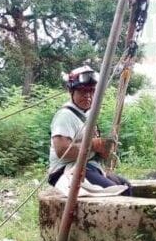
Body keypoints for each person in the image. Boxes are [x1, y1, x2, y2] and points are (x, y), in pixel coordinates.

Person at [47, 65, 132, 195]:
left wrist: (104, 149)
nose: (88, 96)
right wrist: (93, 145)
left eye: (91, 91)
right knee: (118, 193)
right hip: (65, 170)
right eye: (82, 92)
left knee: (126, 187)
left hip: (88, 166)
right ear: (71, 92)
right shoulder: (65, 115)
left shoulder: (88, 113)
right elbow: (62, 151)